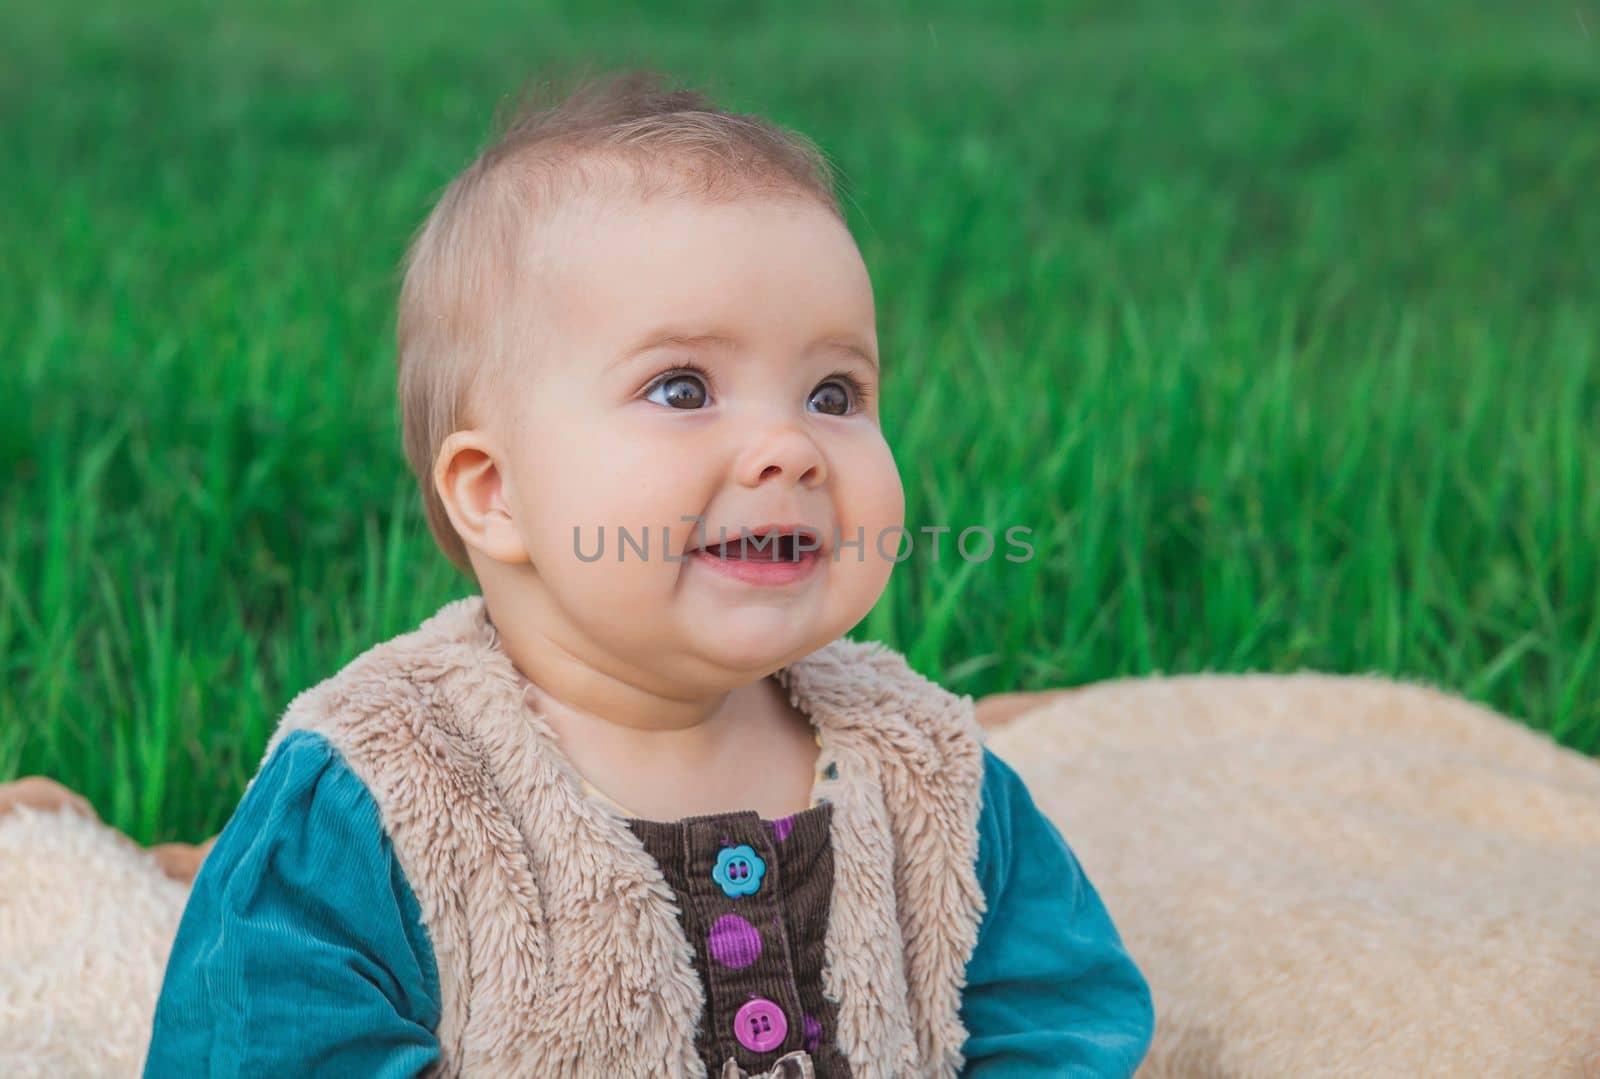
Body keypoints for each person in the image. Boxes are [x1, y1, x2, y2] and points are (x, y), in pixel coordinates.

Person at [142, 69, 1154, 1077]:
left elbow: (1059, 1015)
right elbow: (263, 1047)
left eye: (834, 391)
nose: (788, 448)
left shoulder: (924, 767)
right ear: (495, 491)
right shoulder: (381, 789)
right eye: (683, 387)